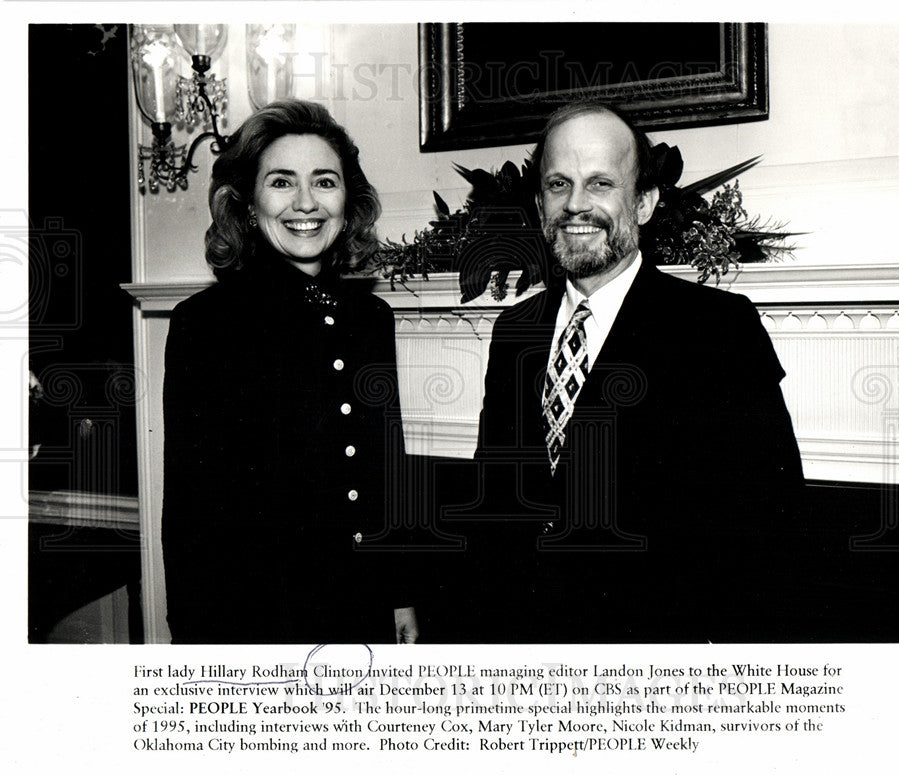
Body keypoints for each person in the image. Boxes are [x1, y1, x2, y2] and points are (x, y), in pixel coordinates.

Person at [455, 102, 804, 643]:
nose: (575, 205)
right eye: (557, 184)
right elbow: (491, 502)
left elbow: (769, 524)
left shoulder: (718, 330)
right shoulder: (514, 332)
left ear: (643, 202)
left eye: (600, 183)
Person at [161, 99, 417, 644]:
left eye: (325, 182)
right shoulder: (204, 325)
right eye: (281, 182)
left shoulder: (371, 318)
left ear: (348, 203)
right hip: (258, 621)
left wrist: (400, 598)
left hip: (360, 612)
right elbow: (189, 513)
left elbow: (383, 469)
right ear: (249, 205)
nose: (306, 203)